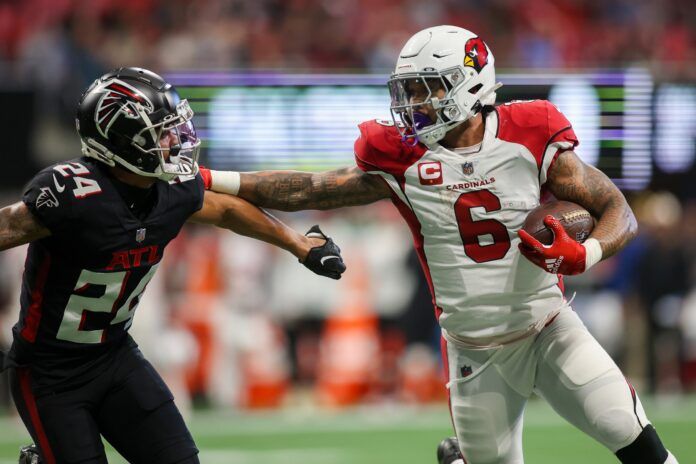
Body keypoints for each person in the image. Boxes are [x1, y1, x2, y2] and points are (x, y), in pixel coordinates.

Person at [201, 26, 678, 464]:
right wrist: (211, 177)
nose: (413, 102)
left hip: (549, 327)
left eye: (425, 87)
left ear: (469, 83)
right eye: (409, 89)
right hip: (474, 351)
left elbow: (620, 210)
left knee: (638, 442)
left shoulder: (529, 133)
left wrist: (586, 253)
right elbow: (307, 188)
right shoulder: (403, 159)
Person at [0, 66, 346, 464]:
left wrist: (300, 245)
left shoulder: (170, 189)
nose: (173, 140)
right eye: (160, 131)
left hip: (113, 356)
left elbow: (227, 210)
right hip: (49, 372)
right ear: (122, 140)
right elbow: (8, 226)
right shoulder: (72, 196)